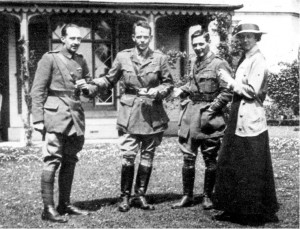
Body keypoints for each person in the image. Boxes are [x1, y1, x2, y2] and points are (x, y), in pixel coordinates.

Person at [92, 20, 174, 212]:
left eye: (146, 36)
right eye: (139, 36)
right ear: (133, 37)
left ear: (150, 38)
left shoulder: (159, 58)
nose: (143, 40)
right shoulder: (122, 57)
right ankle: (125, 197)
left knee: (148, 155)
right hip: (129, 112)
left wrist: (158, 92)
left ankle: (140, 195)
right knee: (128, 155)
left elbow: (169, 83)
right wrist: (94, 85)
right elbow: (110, 79)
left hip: (152, 113)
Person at [213, 22, 279, 224]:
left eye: (249, 36)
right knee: (233, 164)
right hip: (238, 117)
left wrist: (228, 80)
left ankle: (252, 212)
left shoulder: (258, 60)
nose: (244, 40)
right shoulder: (246, 58)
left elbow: (251, 91)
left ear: (256, 38)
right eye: (241, 37)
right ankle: (233, 208)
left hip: (250, 119)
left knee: (251, 167)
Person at [31, 23, 98, 223]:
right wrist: (38, 119)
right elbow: (38, 90)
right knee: (52, 159)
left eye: (79, 39)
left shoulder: (80, 60)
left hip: (74, 116)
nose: (76, 42)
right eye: (72, 38)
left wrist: (87, 87)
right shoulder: (49, 58)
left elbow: (91, 86)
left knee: (70, 159)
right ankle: (48, 208)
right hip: (55, 115)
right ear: (63, 39)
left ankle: (64, 203)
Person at [171, 30, 232, 210]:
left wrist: (213, 109)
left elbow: (228, 90)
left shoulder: (219, 63)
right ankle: (187, 196)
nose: (197, 48)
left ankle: (207, 196)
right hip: (191, 115)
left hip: (209, 117)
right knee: (188, 157)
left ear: (208, 42)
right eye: (195, 45)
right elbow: (193, 85)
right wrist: (182, 89)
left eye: (200, 44)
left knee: (210, 157)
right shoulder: (194, 62)